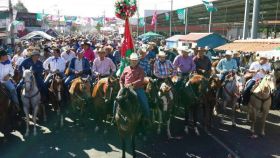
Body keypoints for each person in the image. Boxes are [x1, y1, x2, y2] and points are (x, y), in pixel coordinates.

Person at [115, 53, 150, 121]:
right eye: (132, 60)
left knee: (144, 102)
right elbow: (121, 79)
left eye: (135, 60)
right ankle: (114, 116)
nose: (134, 62)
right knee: (116, 100)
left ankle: (147, 118)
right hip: (125, 89)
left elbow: (140, 80)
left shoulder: (140, 70)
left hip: (137, 89)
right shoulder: (126, 69)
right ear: (130, 61)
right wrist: (122, 87)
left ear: (137, 61)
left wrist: (131, 84)